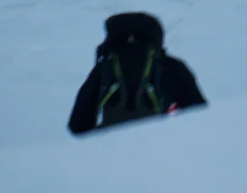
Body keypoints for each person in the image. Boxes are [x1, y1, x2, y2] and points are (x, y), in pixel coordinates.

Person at [67, 12, 207, 135]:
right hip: (160, 147)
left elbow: (77, 125)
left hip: (111, 150)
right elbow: (200, 116)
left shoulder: (104, 68)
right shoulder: (171, 66)